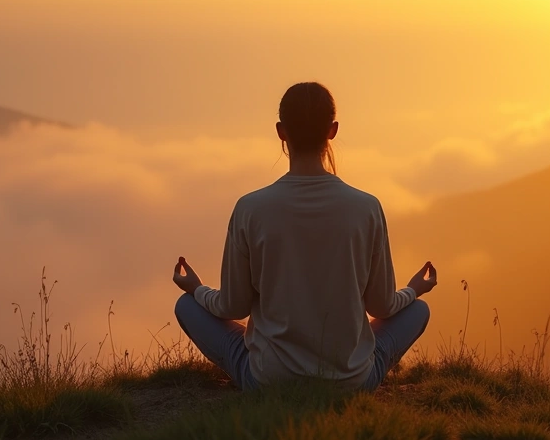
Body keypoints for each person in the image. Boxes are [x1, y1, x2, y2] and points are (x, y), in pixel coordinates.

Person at [171, 81, 437, 391]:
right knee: (418, 310)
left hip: (269, 382)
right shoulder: (366, 208)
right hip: (352, 383)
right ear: (333, 130)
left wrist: (197, 289)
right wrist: (413, 291)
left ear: (281, 131)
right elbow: (382, 307)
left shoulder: (250, 209)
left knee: (185, 305)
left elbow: (233, 307)